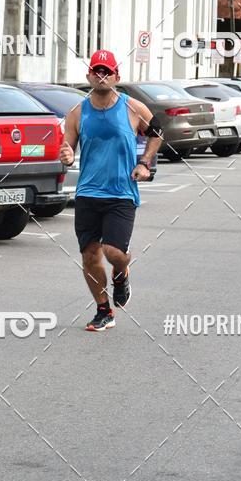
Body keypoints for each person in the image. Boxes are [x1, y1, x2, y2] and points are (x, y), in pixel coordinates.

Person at [59, 50, 163, 332]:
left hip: (121, 193)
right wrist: (66, 155)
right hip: (88, 193)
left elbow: (157, 132)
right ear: (89, 76)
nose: (102, 76)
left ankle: (122, 272)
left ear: (117, 77)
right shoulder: (77, 112)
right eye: (97, 71)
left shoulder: (133, 108)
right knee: (90, 255)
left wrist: (144, 163)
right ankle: (103, 310)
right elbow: (66, 148)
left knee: (113, 251)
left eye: (107, 72)